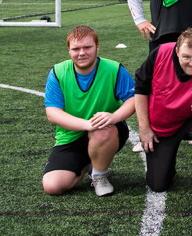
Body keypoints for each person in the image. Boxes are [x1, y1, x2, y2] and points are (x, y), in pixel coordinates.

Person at [42, 26, 136, 197]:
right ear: (69, 51)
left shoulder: (114, 69)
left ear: (97, 47)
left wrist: (114, 117)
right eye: (76, 49)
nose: (82, 53)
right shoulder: (58, 72)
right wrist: (87, 125)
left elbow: (133, 98)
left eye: (87, 47)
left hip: (108, 131)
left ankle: (99, 176)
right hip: (71, 136)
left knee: (102, 129)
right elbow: (52, 113)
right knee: (53, 186)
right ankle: (90, 162)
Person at [134, 27, 192, 196]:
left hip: (190, 122)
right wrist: (144, 128)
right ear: (177, 52)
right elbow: (140, 89)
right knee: (158, 185)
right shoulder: (160, 53)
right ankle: (167, 167)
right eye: (186, 57)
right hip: (161, 125)